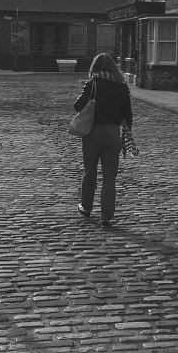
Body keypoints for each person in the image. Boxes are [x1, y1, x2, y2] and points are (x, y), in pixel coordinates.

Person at [73, 52, 132, 226]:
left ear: (95, 68)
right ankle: (106, 215)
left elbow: (77, 106)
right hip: (113, 133)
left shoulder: (92, 85)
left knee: (90, 172)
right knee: (109, 177)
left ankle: (86, 207)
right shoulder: (122, 86)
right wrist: (125, 134)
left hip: (93, 132)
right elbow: (128, 114)